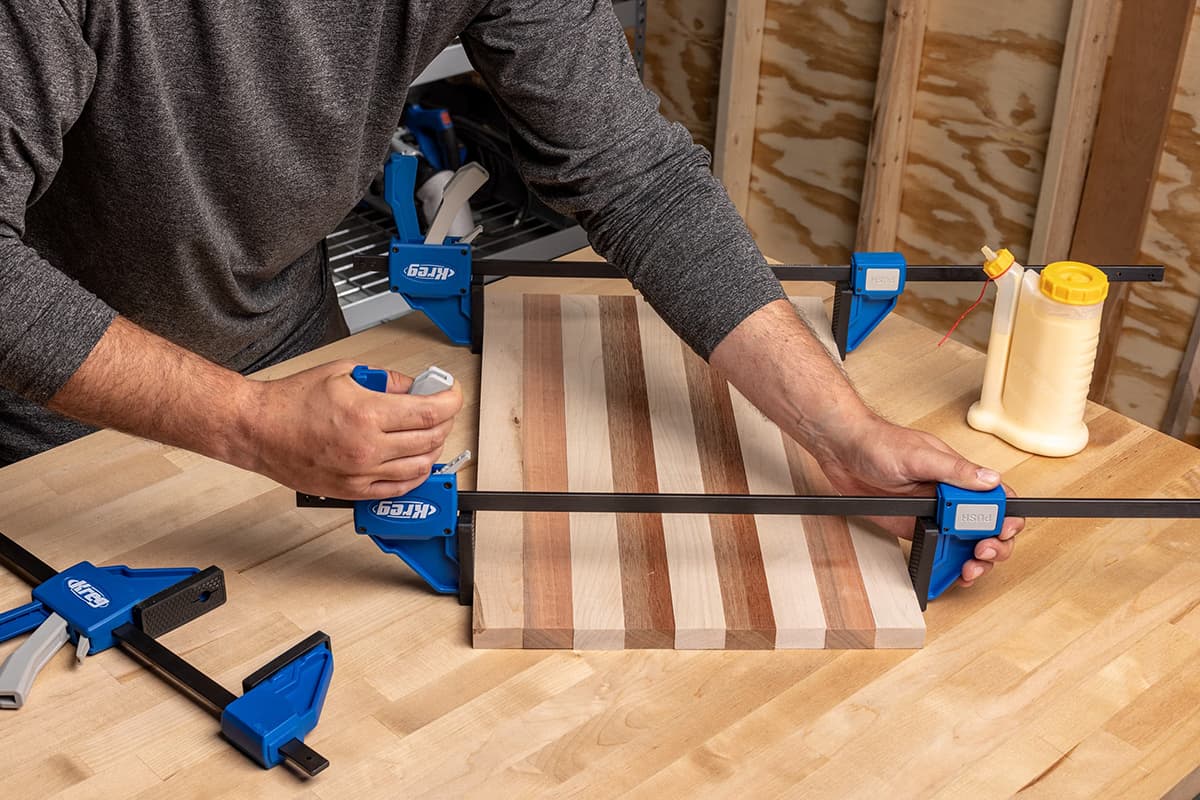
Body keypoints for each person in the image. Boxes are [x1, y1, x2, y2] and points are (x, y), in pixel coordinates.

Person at [0, 1, 1019, 589]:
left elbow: (637, 178)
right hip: (47, 449)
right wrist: (246, 421)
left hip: (292, 380)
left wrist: (842, 434)